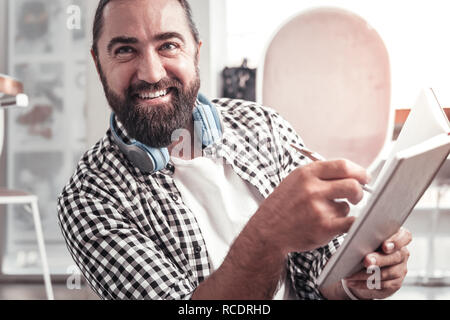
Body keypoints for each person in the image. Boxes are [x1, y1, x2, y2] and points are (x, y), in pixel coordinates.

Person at [57, 0, 411, 300]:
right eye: (125, 50)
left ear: (195, 50)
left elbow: (320, 275)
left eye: (168, 45)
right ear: (98, 61)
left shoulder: (264, 125)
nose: (150, 73)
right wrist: (269, 235)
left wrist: (359, 279)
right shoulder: (89, 198)